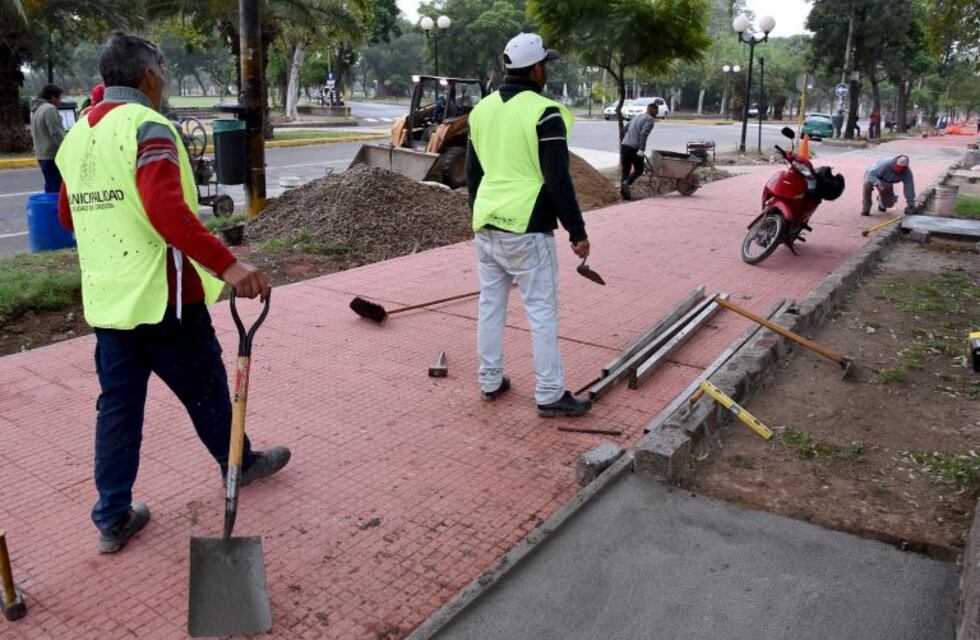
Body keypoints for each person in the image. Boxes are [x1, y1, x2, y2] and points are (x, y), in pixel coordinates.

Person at [54, 31, 291, 554]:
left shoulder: (78, 139)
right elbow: (167, 212)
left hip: (110, 304)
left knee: (117, 409)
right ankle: (241, 466)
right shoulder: (148, 126)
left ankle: (113, 517)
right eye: (162, 71)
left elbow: (68, 215)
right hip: (165, 298)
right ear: (150, 75)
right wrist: (228, 266)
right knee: (206, 388)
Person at [466, 32, 592, 418]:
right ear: (536, 68)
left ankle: (490, 381)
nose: (546, 70)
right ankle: (550, 393)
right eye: (546, 64)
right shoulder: (545, 111)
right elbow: (557, 178)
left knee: (490, 306)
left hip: (487, 223)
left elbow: (473, 172)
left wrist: (479, 216)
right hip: (528, 228)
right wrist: (577, 232)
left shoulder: (481, 110)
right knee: (541, 311)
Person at [29, 84, 67, 193]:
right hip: (52, 155)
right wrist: (66, 147)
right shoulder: (50, 109)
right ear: (52, 97)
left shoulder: (36, 109)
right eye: (59, 97)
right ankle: (56, 209)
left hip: (41, 154)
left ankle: (50, 208)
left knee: (50, 186)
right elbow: (55, 132)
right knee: (57, 187)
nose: (60, 100)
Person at [619, 102, 658, 200]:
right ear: (651, 109)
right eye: (656, 111)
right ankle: (627, 183)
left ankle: (624, 194)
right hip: (634, 148)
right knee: (639, 169)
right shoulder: (650, 120)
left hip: (624, 146)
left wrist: (627, 139)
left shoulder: (637, 116)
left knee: (625, 170)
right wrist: (642, 149)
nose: (657, 113)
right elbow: (643, 134)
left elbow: (625, 129)